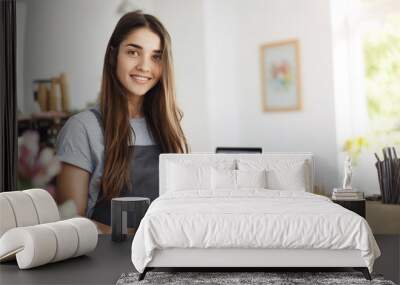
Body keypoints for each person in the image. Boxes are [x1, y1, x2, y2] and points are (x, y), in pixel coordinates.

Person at [55, 11, 189, 234]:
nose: (145, 66)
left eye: (156, 56)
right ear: (112, 55)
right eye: (133, 52)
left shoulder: (169, 128)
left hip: (163, 259)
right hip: (105, 262)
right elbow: (69, 224)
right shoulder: (82, 128)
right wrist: (138, 237)